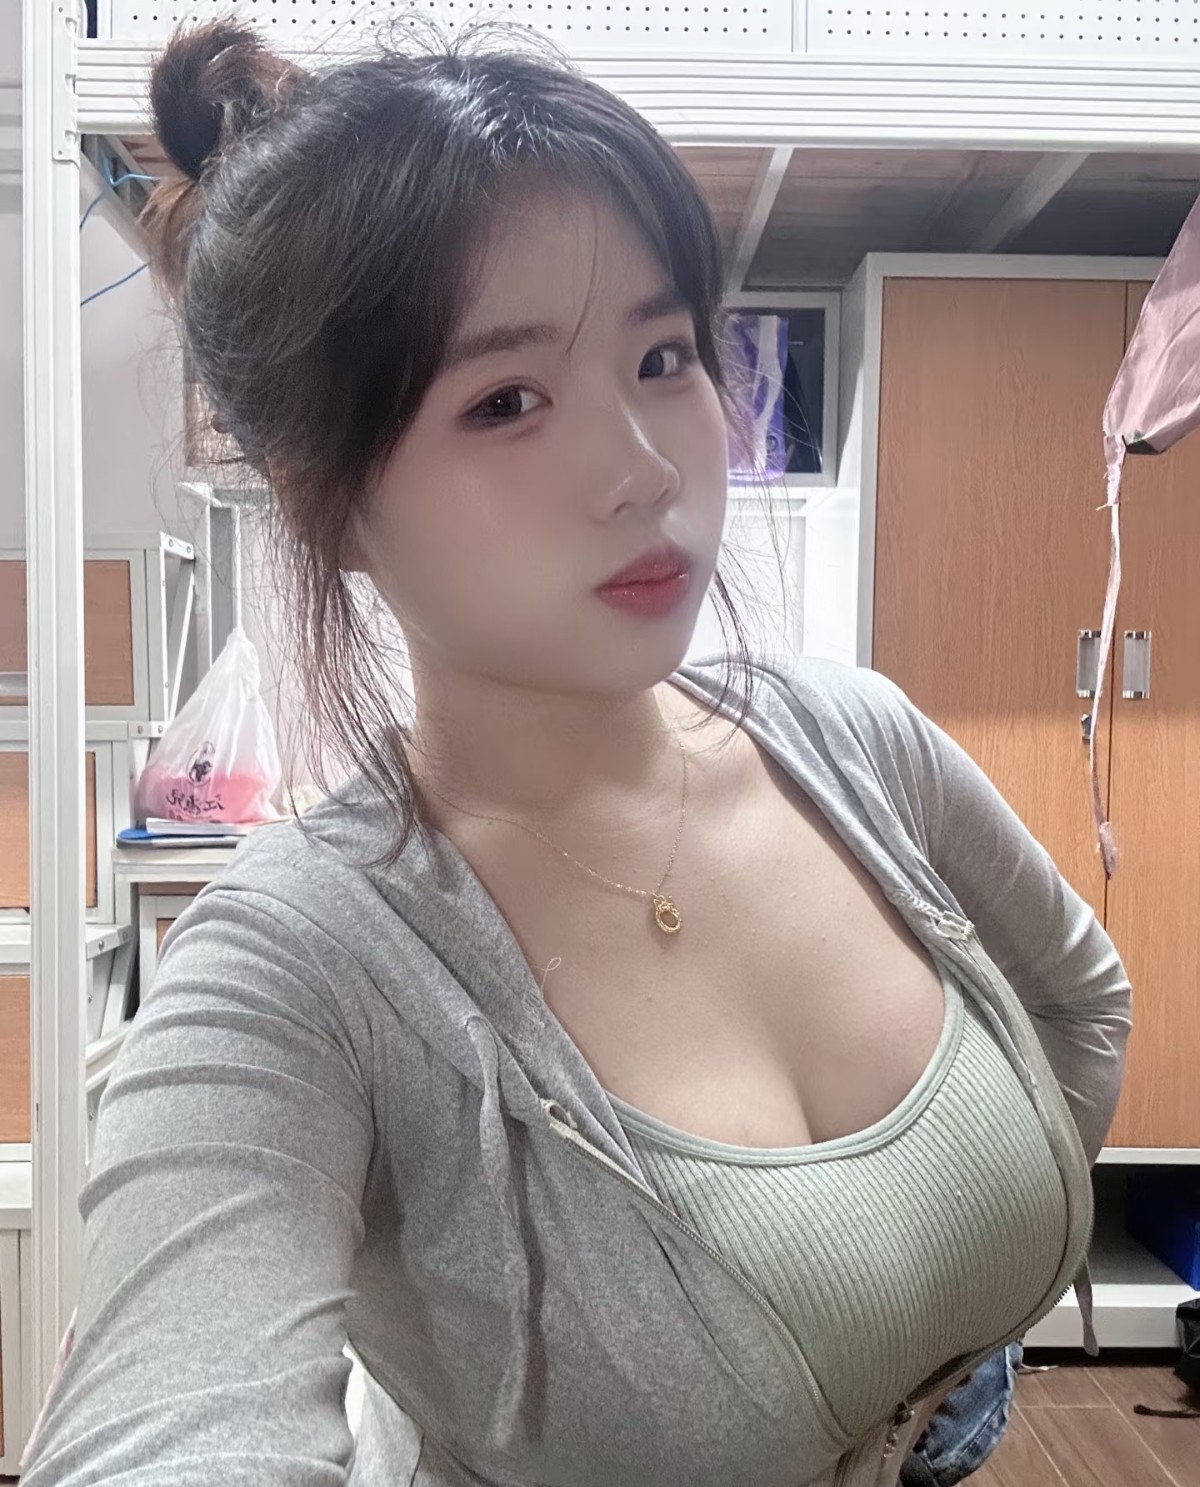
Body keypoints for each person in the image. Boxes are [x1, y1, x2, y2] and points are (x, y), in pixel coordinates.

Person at [19, 20, 1131, 1487]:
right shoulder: (299, 969)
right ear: (325, 501)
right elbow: (174, 1426)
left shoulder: (854, 739)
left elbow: (1081, 1004)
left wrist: (932, 1366)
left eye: (662, 356)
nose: (646, 466)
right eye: (505, 400)